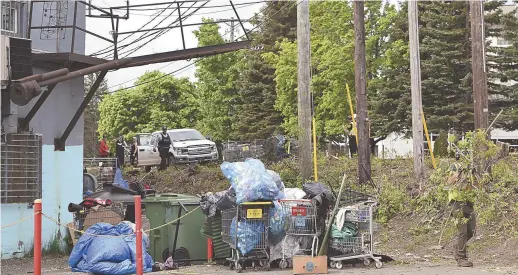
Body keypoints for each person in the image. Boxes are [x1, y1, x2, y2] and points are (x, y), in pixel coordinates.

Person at [447, 151, 476, 267]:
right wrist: (459, 173)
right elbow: (449, 182)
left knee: (471, 231)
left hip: (468, 202)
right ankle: (461, 258)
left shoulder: (471, 168)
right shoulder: (454, 167)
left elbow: (475, 186)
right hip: (456, 202)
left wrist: (473, 174)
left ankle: (458, 245)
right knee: (462, 231)